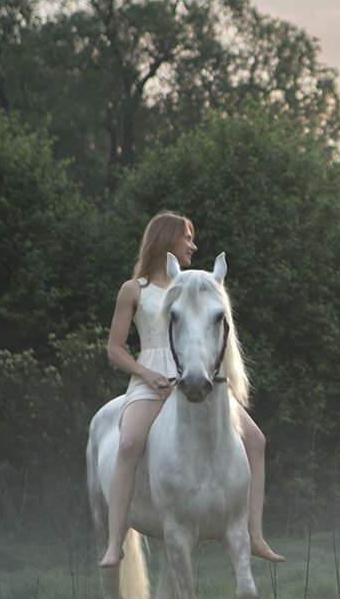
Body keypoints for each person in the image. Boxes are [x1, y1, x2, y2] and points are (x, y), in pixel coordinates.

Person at [98, 211, 285, 568]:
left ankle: (256, 534)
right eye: (186, 238)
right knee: (128, 443)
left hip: (198, 376)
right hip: (152, 382)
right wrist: (145, 373)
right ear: (166, 240)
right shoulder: (133, 290)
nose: (193, 246)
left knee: (256, 441)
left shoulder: (192, 285)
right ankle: (114, 541)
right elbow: (115, 348)